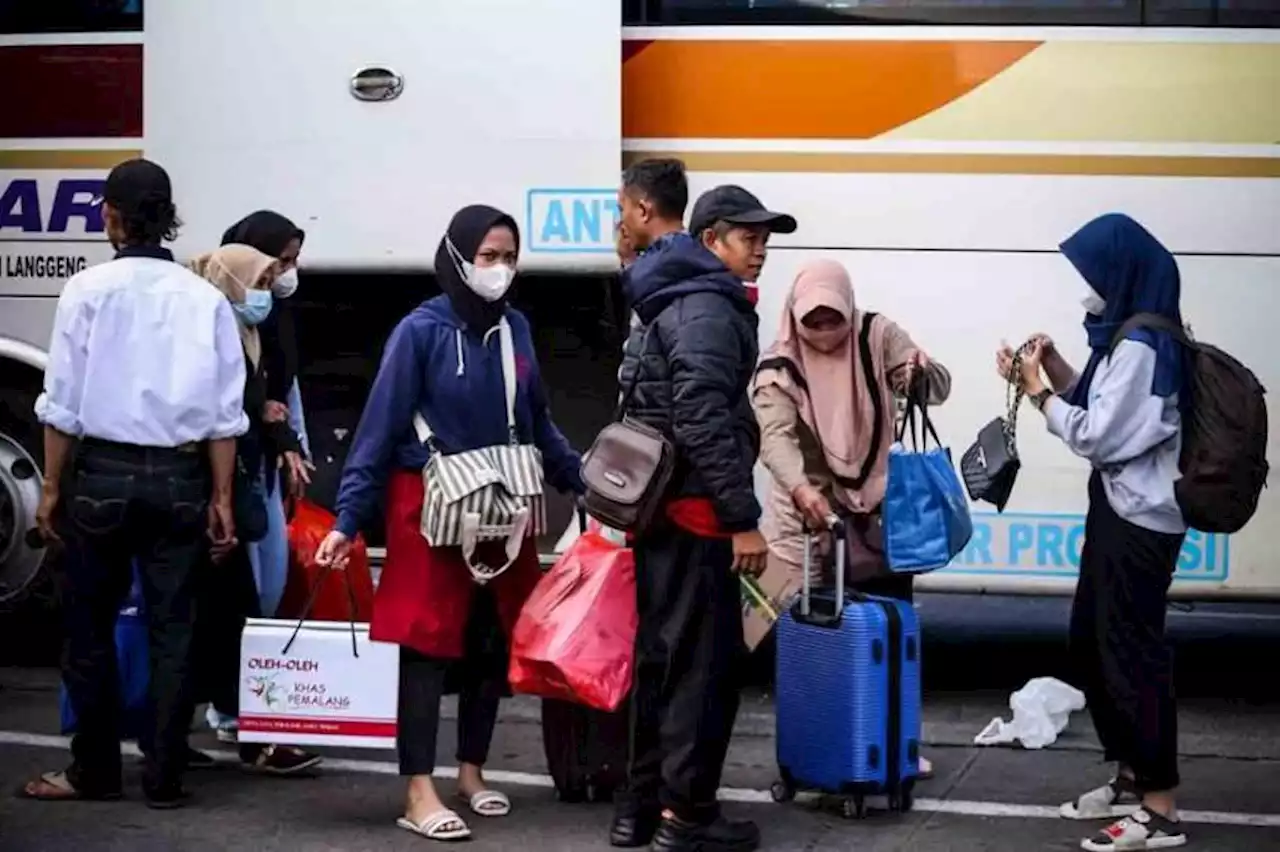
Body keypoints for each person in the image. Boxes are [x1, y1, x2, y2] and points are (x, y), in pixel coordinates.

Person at [312, 205, 584, 842]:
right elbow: (378, 430)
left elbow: (538, 421)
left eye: (509, 256)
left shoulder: (515, 328)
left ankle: (471, 772)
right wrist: (348, 519)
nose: (500, 269)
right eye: (487, 256)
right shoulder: (419, 331)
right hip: (429, 507)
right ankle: (418, 789)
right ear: (458, 258)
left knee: (491, 640)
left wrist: (581, 481)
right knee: (426, 648)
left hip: (502, 507)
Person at [22, 158, 246, 808]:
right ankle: (165, 775)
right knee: (173, 629)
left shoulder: (87, 290)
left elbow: (61, 403)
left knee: (89, 627)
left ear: (111, 215)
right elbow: (222, 414)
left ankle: (93, 770)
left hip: (100, 477)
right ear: (168, 216)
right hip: (180, 477)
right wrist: (223, 498)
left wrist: (52, 489)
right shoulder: (203, 297)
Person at [997, 213, 1190, 852]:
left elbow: (1097, 436)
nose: (1089, 288)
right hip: (1118, 509)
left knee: (1132, 656)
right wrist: (1052, 368)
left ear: (1123, 271)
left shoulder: (1144, 343)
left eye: (1094, 274)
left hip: (1139, 521)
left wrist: (1037, 395)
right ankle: (1133, 775)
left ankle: (1160, 810)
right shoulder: (1127, 337)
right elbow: (1103, 410)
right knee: (1092, 641)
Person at [611, 157, 767, 852]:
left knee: (658, 660)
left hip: (658, 507)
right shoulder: (706, 305)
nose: (759, 248)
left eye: (765, 237)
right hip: (697, 510)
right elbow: (703, 415)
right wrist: (743, 518)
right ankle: (687, 817)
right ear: (710, 240)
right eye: (745, 236)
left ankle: (638, 809)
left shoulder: (665, 293)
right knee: (702, 672)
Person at [752, 258, 949, 780]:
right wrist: (801, 490)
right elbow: (775, 440)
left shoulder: (876, 335)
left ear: (849, 309)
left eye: (831, 319)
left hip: (878, 514)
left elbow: (937, 386)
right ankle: (821, 743)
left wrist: (919, 374)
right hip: (804, 518)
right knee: (800, 635)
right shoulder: (778, 364)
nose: (821, 332)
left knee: (887, 630)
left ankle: (890, 743)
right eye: (810, 321)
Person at [185, 244, 323, 776]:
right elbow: (212, 410)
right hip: (207, 492)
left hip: (235, 487)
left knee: (226, 614)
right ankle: (243, 734)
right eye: (264, 275)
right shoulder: (207, 331)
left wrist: (272, 423)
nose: (273, 285)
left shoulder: (245, 330)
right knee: (214, 616)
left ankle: (230, 732)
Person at [687, 184, 796, 305]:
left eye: (764, 241)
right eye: (750, 239)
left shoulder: (719, 302)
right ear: (710, 240)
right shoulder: (705, 310)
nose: (761, 252)